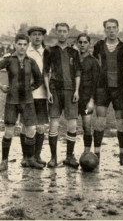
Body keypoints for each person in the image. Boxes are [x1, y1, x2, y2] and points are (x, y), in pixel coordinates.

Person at [92, 18, 123, 166]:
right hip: (102, 87)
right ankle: (96, 154)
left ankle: (122, 155)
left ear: (118, 29)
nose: (111, 30)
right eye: (108, 28)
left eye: (114, 28)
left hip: (119, 88)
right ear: (104, 30)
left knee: (121, 123)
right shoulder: (99, 45)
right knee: (100, 122)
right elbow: (92, 62)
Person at [0, 34, 43, 171]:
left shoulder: (31, 61)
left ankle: (29, 159)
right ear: (15, 44)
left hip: (28, 101)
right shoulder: (8, 60)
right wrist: (1, 86)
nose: (22, 47)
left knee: (31, 129)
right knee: (9, 131)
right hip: (12, 101)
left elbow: (39, 79)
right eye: (20, 44)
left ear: (27, 45)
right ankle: (4, 161)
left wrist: (30, 88)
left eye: (25, 44)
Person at [43, 23, 81, 169]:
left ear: (68, 33)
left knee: (72, 123)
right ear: (56, 33)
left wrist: (77, 91)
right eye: (60, 31)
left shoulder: (74, 52)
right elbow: (46, 72)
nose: (62, 34)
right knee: (54, 123)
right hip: (55, 89)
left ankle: (69, 156)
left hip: (70, 90)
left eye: (65, 31)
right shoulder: (50, 50)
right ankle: (53, 158)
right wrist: (48, 91)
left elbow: (77, 73)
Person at [19, 26, 49, 168]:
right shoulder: (25, 50)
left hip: (42, 94)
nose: (37, 37)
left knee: (41, 127)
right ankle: (26, 157)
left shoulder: (47, 52)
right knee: (26, 126)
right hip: (27, 95)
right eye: (34, 35)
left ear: (43, 37)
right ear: (30, 37)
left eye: (39, 35)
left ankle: (37, 156)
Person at [76, 33, 100, 154]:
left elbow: (96, 83)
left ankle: (86, 153)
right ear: (77, 44)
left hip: (87, 99)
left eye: (85, 42)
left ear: (89, 44)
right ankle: (70, 154)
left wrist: (92, 100)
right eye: (80, 42)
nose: (82, 45)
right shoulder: (73, 59)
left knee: (86, 126)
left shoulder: (93, 62)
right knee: (72, 126)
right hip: (74, 99)